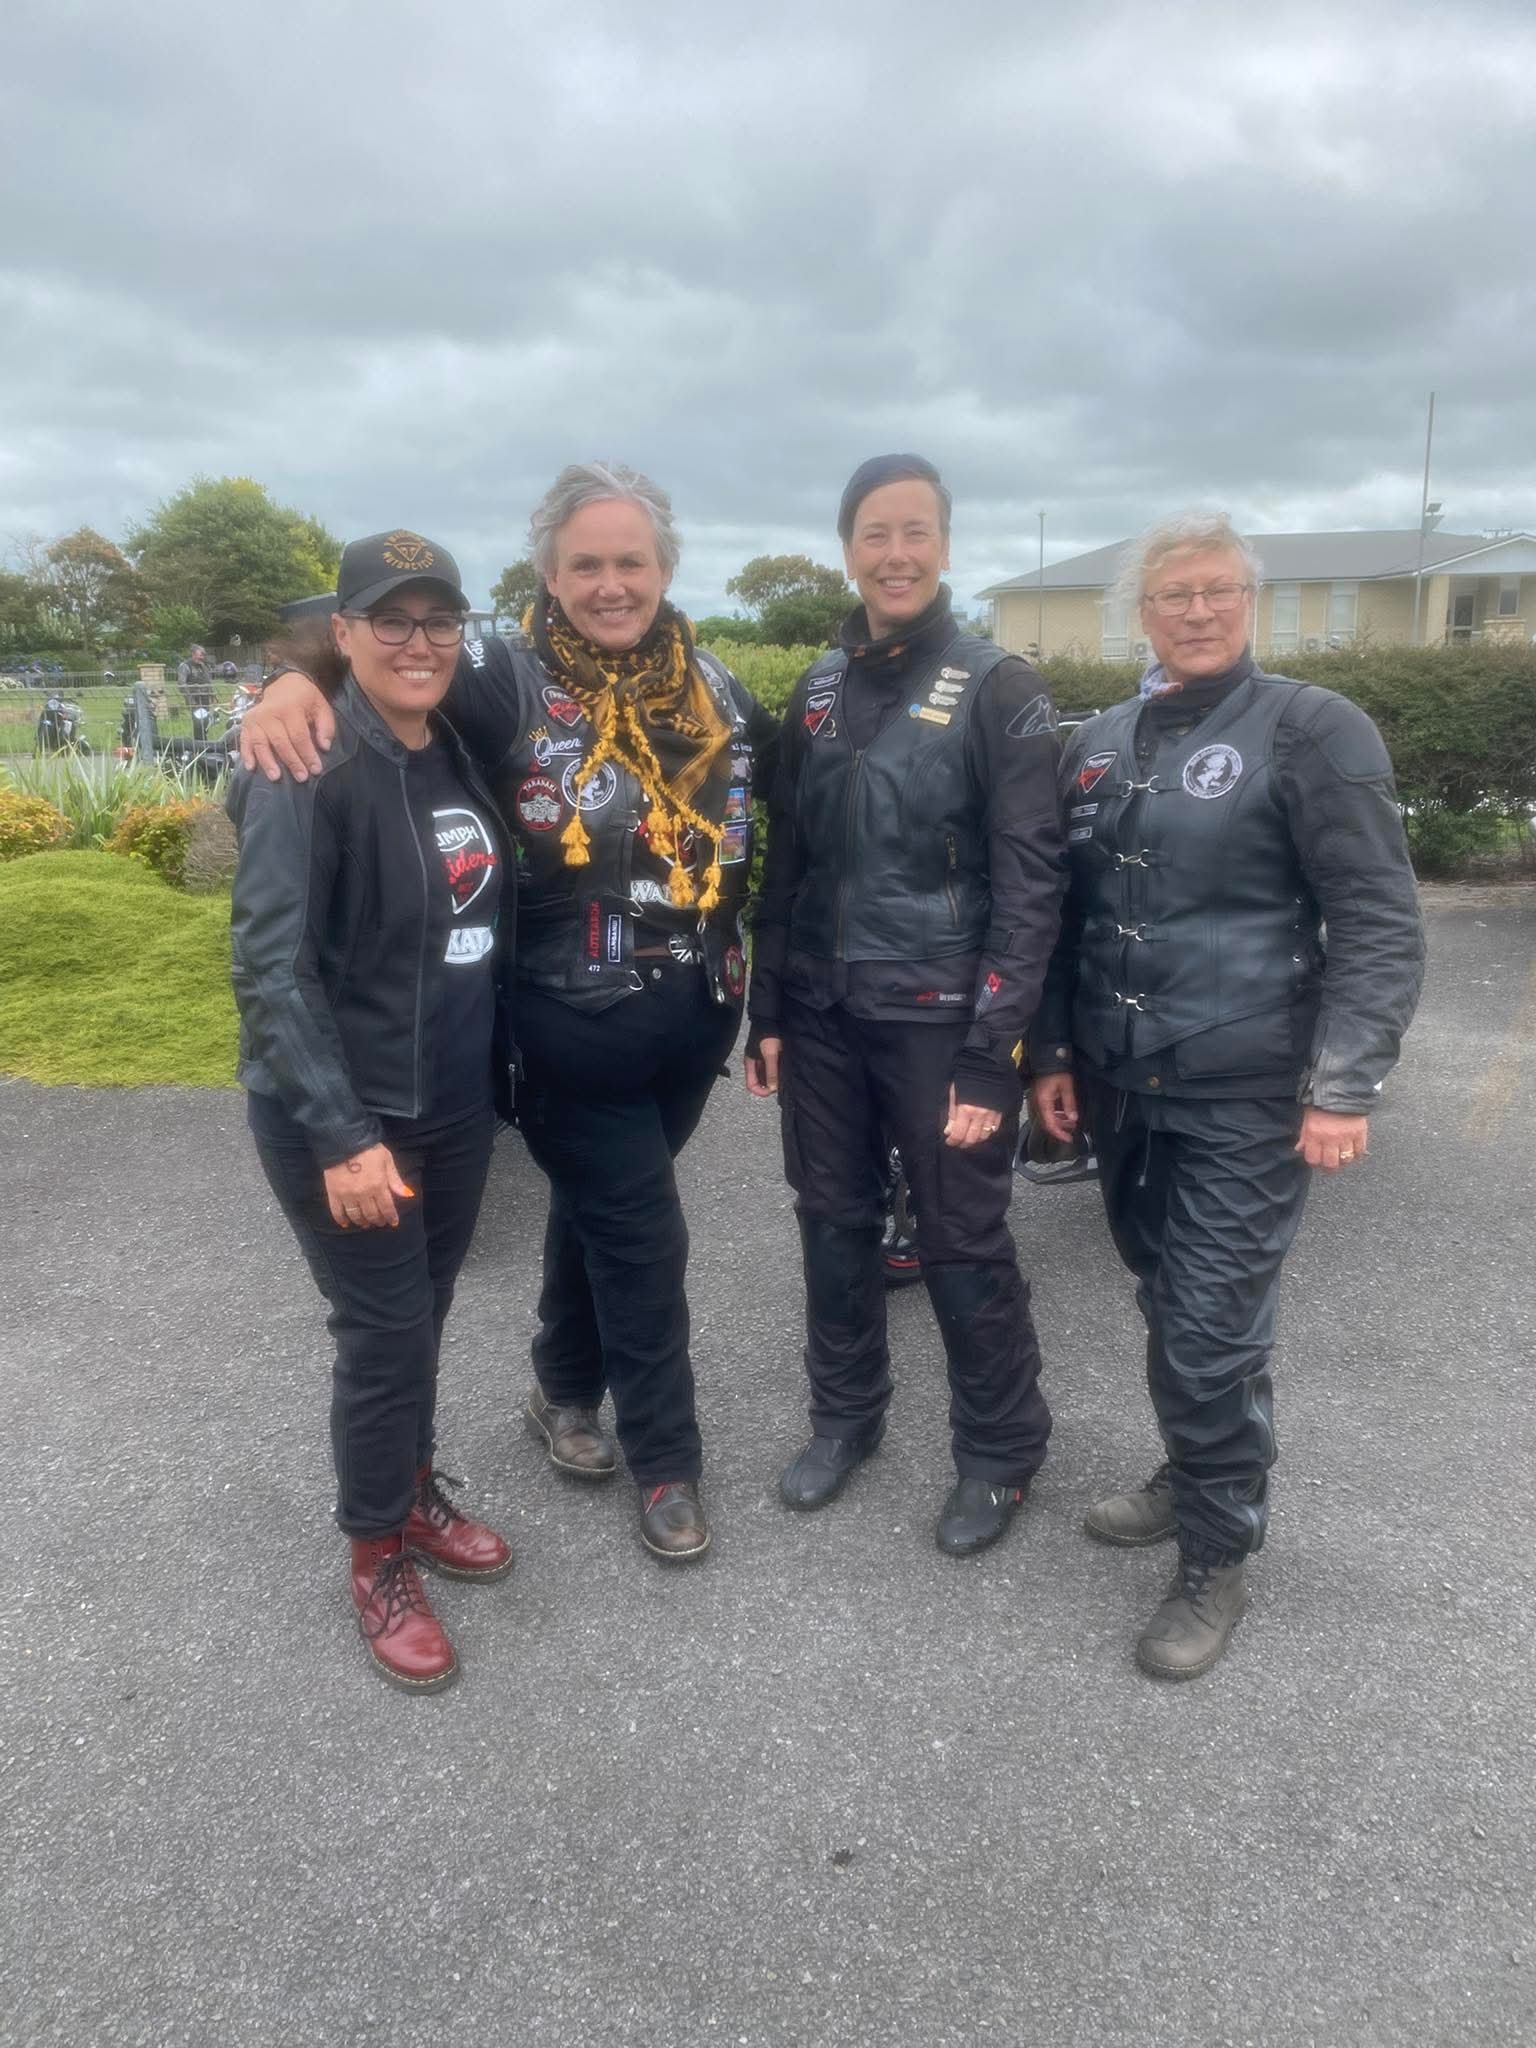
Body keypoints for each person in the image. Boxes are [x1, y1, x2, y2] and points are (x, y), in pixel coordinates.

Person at [240, 467, 778, 1563]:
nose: (611, 583)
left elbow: (795, 806)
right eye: (587, 563)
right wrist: (288, 683)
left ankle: (562, 1386)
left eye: (631, 562)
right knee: (644, 1233)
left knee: (602, 1210)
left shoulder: (715, 683)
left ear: (666, 569)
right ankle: (668, 1459)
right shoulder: (500, 674)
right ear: (548, 574)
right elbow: (391, 651)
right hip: (567, 1025)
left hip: (695, 1019)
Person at [1028, 510, 1425, 1681]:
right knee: (1172, 1299)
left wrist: (1345, 1083)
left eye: (1219, 590)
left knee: (1209, 1328)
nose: (1197, 611)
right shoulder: (1097, 740)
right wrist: (1053, 1053)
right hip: (1121, 1085)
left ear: (1251, 603)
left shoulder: (1313, 727)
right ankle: (1196, 1466)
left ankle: (1216, 1552)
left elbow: (1377, 917)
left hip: (1247, 1089)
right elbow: (1064, 917)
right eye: (1173, 593)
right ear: (1139, 612)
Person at [744, 453, 1066, 1555]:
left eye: (915, 531)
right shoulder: (817, 688)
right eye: (875, 534)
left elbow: (1032, 887)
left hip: (941, 1017)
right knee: (832, 1221)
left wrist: (992, 1054)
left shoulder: (1000, 687)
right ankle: (845, 1418)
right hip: (823, 1014)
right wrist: (768, 1009)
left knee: (960, 1235)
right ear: (848, 550)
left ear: (944, 546)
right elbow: (788, 861)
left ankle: (1001, 1452)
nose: (896, 554)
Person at [229, 531, 517, 1695]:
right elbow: (270, 968)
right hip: (345, 1117)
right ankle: (375, 1555)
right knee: (385, 1332)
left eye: (438, 619)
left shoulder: (453, 742)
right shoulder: (305, 762)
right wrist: (343, 1135)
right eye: (389, 619)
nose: (418, 641)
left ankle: (410, 1486)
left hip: (452, 1099)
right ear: (341, 632)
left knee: (424, 1315)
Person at [178, 643, 212, 714]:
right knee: (197, 719)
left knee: (206, 718)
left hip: (205, 698)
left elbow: (207, 681)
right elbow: (181, 685)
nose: (202, 658)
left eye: (203, 655)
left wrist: (211, 694)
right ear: (193, 654)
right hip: (194, 699)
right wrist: (190, 701)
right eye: (200, 655)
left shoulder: (203, 665)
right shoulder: (185, 666)